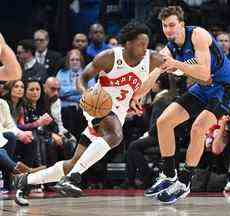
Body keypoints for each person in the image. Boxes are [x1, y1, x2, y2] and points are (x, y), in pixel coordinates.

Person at [13, 21, 165, 203]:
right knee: (116, 135)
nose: (144, 48)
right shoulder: (109, 56)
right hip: (97, 104)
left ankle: (25, 180)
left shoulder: (152, 59)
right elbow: (82, 78)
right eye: (140, 44)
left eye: (146, 44)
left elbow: (178, 65)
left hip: (118, 112)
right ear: (128, 43)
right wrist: (85, 95)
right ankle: (72, 178)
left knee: (73, 163)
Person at [144, 6, 230, 204]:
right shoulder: (168, 49)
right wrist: (135, 97)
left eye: (172, 25)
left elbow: (205, 74)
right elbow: (153, 74)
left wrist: (176, 64)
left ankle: (185, 181)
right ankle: (169, 174)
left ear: (182, 25)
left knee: (198, 129)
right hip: (203, 89)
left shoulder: (198, 35)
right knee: (164, 122)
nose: (169, 29)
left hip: (224, 87)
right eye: (165, 26)